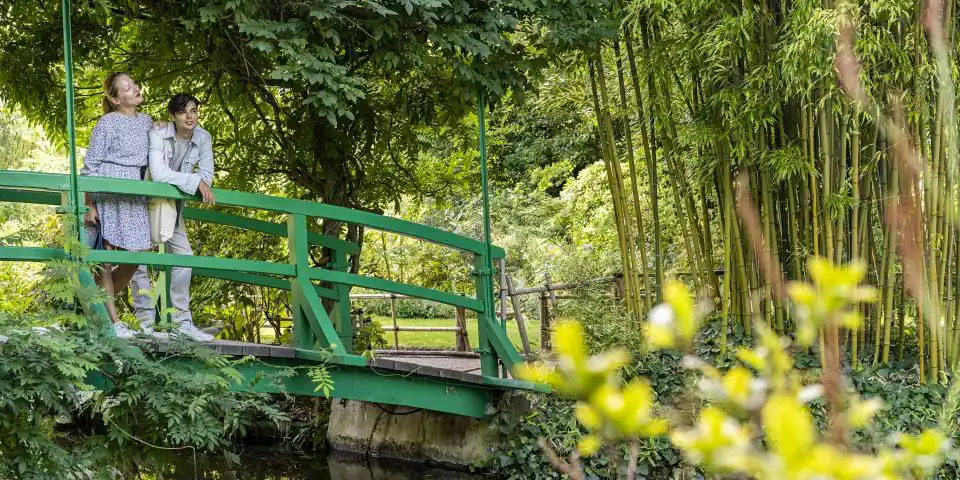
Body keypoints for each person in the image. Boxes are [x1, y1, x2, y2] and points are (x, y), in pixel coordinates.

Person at [131, 93, 215, 341]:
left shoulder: (203, 137)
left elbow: (207, 176)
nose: (190, 116)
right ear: (173, 116)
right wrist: (193, 181)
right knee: (139, 260)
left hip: (174, 207)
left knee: (184, 258)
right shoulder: (159, 133)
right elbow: (157, 173)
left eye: (194, 111)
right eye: (183, 112)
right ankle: (145, 322)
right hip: (147, 202)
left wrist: (197, 181)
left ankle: (183, 323)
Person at [81, 72, 153, 338]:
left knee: (137, 256)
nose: (135, 89)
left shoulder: (147, 121)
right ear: (114, 98)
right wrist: (90, 205)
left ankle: (100, 305)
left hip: (136, 193)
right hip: (109, 190)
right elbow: (90, 167)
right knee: (106, 259)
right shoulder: (107, 123)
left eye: (135, 84)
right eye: (127, 88)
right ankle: (113, 322)